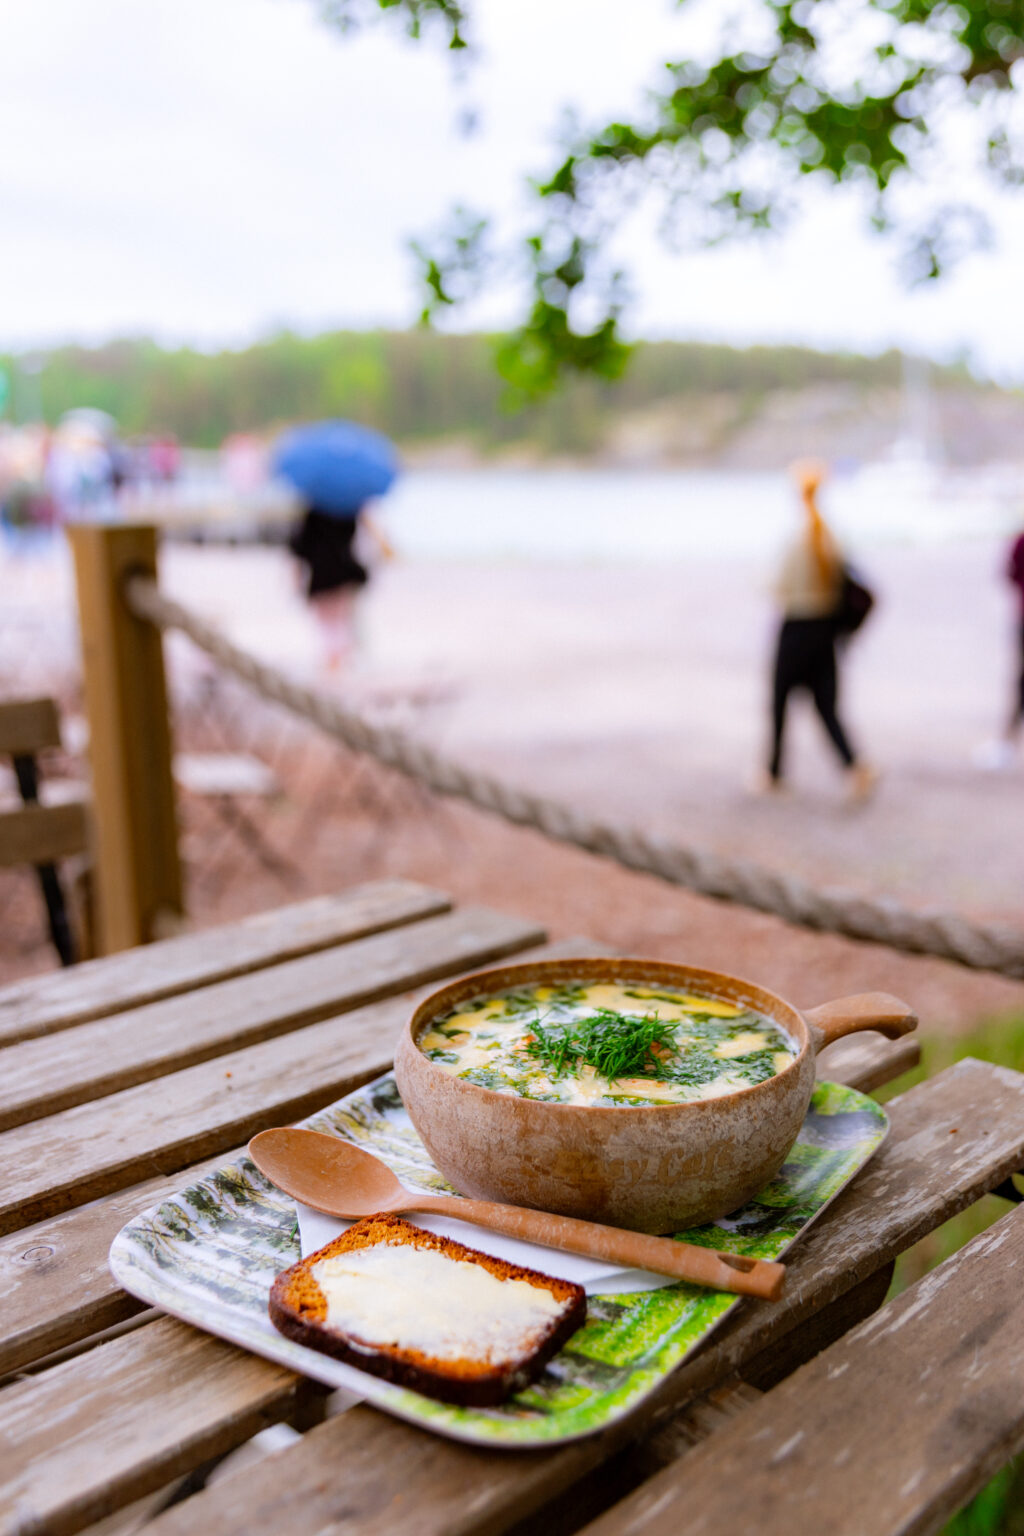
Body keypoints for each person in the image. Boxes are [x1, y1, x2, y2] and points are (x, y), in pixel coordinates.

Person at [764, 461, 876, 798]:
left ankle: (774, 773)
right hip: (826, 630)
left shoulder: (801, 537)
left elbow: (777, 586)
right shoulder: (830, 535)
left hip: (798, 625)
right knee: (826, 704)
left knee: (780, 701)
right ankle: (854, 766)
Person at [288, 502, 392, 670]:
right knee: (341, 619)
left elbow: (299, 548)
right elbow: (363, 540)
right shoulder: (347, 510)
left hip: (322, 575)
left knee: (328, 622)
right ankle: (339, 658)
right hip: (344, 572)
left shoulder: (314, 514)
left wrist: (296, 579)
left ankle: (334, 659)